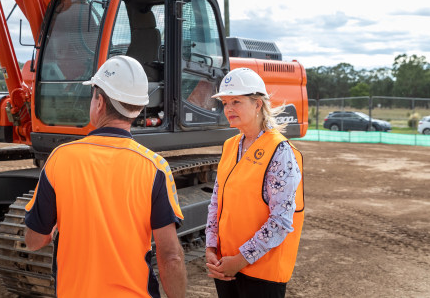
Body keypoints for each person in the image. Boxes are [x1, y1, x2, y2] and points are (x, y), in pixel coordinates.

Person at [24, 55, 187, 298]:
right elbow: (171, 256)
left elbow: (34, 240)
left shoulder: (61, 158)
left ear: (99, 102)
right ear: (139, 108)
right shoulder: (155, 167)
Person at [205, 67, 305, 297]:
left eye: (236, 102)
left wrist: (240, 260)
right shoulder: (230, 146)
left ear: (258, 104)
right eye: (225, 103)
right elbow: (216, 202)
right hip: (226, 267)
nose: (228, 109)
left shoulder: (280, 151)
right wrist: (211, 247)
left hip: (262, 275)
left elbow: (281, 221)